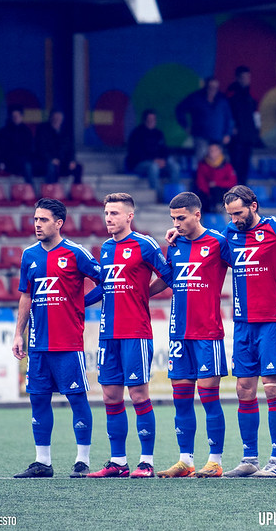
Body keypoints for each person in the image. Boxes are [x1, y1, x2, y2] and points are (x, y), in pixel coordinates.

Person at [12, 198, 101, 479]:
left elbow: (105, 283)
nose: (37, 224)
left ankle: (82, 460)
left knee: (76, 399)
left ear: (59, 223)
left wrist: (81, 304)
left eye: (44, 220)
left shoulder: (76, 253)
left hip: (68, 343)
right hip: (38, 343)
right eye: (35, 219)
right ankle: (42, 462)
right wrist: (19, 333)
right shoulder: (29, 255)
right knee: (38, 400)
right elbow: (26, 295)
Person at [85, 193, 173, 478]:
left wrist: (145, 293)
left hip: (135, 332)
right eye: (106, 213)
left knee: (138, 395)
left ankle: (146, 461)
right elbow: (107, 285)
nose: (109, 218)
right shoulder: (106, 248)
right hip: (107, 333)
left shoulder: (145, 243)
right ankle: (118, 462)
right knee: (111, 396)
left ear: (129, 216)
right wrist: (80, 302)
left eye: (114, 213)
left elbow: (169, 274)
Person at [220, 185, 276, 477]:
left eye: (238, 213)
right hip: (242, 322)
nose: (234, 219)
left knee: (273, 388)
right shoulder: (229, 233)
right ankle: (249, 458)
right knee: (243, 389)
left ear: (253, 206)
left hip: (272, 321)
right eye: (230, 214)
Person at [152, 192, 231, 478]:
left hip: (207, 332)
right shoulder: (174, 245)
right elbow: (167, 278)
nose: (177, 223)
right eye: (173, 218)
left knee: (209, 397)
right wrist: (139, 296)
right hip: (178, 333)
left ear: (198, 215)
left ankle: (215, 460)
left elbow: (247, 272)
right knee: (181, 398)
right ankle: (185, 461)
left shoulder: (218, 242)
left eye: (181, 218)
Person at [176, 77, 234, 163]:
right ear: (205, 86)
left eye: (215, 88)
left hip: (217, 137)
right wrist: (185, 125)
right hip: (201, 136)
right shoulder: (195, 97)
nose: (213, 90)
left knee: (217, 163)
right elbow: (179, 109)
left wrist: (227, 133)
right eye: (210, 87)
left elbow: (229, 118)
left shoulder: (222, 99)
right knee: (202, 163)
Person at [126, 109, 177, 203]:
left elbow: (164, 150)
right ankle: (158, 197)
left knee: (174, 166)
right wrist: (154, 160)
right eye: (149, 119)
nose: (151, 121)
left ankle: (174, 196)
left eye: (153, 119)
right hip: (139, 164)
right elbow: (135, 153)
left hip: (158, 163)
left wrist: (163, 160)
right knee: (153, 167)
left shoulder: (158, 133)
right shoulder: (136, 133)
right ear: (144, 120)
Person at [226, 66, 260, 186]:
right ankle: (234, 190)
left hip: (248, 137)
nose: (246, 80)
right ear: (237, 78)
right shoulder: (231, 95)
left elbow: (256, 115)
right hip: (236, 138)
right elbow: (227, 115)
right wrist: (231, 129)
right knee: (236, 165)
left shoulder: (251, 96)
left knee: (245, 166)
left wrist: (256, 132)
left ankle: (242, 189)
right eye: (243, 77)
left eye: (248, 77)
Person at [35, 109, 83, 184]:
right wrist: (51, 159)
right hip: (48, 161)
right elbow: (41, 149)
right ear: (51, 118)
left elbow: (70, 149)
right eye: (55, 118)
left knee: (78, 167)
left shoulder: (65, 133)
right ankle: (52, 189)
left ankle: (76, 190)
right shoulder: (43, 131)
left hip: (63, 162)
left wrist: (71, 160)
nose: (57, 120)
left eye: (59, 119)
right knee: (52, 166)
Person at [0, 104, 34, 184]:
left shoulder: (27, 132)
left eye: (18, 116)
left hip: (24, 161)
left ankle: (34, 192)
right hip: (9, 162)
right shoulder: (3, 132)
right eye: (14, 116)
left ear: (22, 117)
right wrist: (2, 161)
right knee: (26, 166)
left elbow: (30, 149)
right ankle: (31, 191)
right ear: (10, 117)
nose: (16, 118)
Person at [196, 142, 237, 212]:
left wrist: (216, 183)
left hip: (222, 193)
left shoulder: (227, 165)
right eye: (211, 150)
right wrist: (208, 194)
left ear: (220, 151)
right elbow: (200, 182)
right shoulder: (202, 164)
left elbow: (232, 182)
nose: (213, 153)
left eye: (215, 150)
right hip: (207, 194)